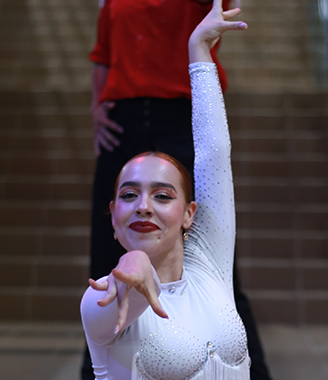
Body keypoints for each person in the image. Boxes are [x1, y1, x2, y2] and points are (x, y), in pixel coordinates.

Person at [84, 0, 273, 379]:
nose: (144, 205)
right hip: (124, 121)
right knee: (109, 267)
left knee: (217, 271)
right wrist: (97, 107)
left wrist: (200, 49)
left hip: (181, 113)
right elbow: (103, 56)